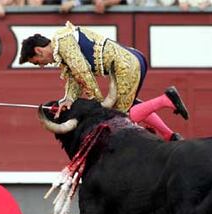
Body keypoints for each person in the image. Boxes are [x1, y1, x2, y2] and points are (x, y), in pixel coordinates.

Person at [19, 21, 189, 141]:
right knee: (133, 106)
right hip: (131, 58)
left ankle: (166, 99)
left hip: (125, 65)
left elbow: (82, 72)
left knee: (119, 117)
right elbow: (74, 77)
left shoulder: (63, 43)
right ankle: (169, 135)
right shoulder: (62, 44)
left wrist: (97, 105)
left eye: (36, 62)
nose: (40, 66)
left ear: (39, 51)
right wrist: (68, 99)